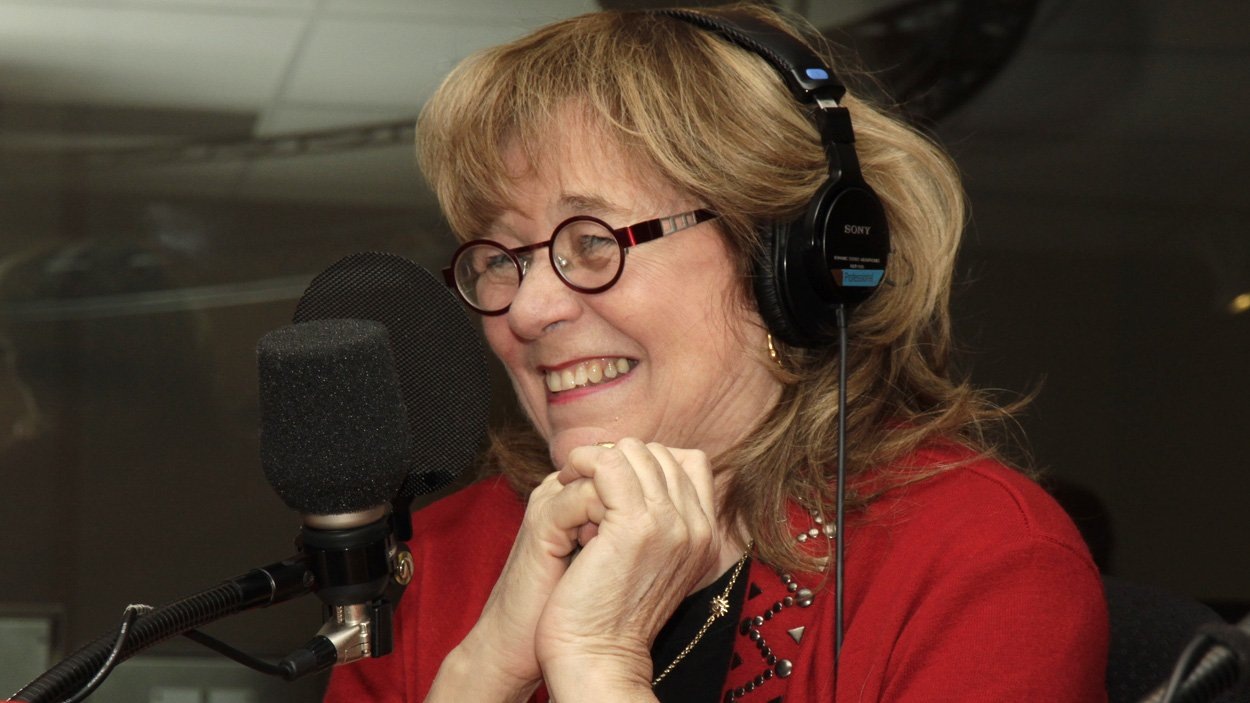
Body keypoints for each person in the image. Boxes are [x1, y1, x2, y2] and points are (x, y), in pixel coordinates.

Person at [323, 4, 1108, 702]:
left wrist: (600, 669)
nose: (527, 311)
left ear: (778, 262)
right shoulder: (439, 559)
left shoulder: (984, 558)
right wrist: (481, 673)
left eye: (591, 241)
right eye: (502, 258)